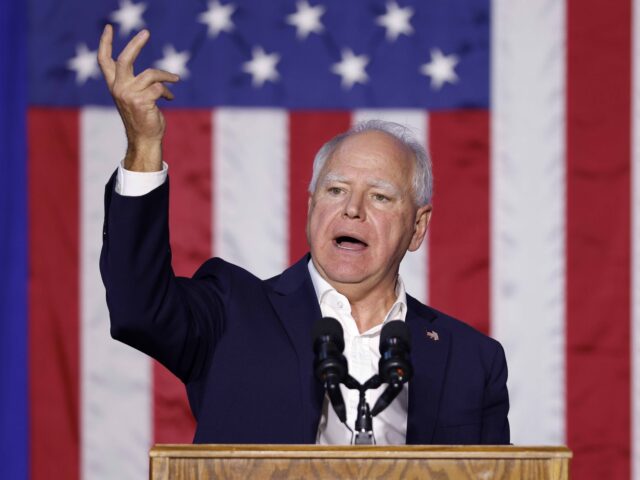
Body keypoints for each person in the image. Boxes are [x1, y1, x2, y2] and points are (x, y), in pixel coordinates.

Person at [98, 25, 510, 445]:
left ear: (417, 227)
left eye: (381, 197)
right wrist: (144, 145)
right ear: (312, 206)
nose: (353, 208)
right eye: (336, 190)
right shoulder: (231, 312)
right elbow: (137, 308)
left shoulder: (472, 361)